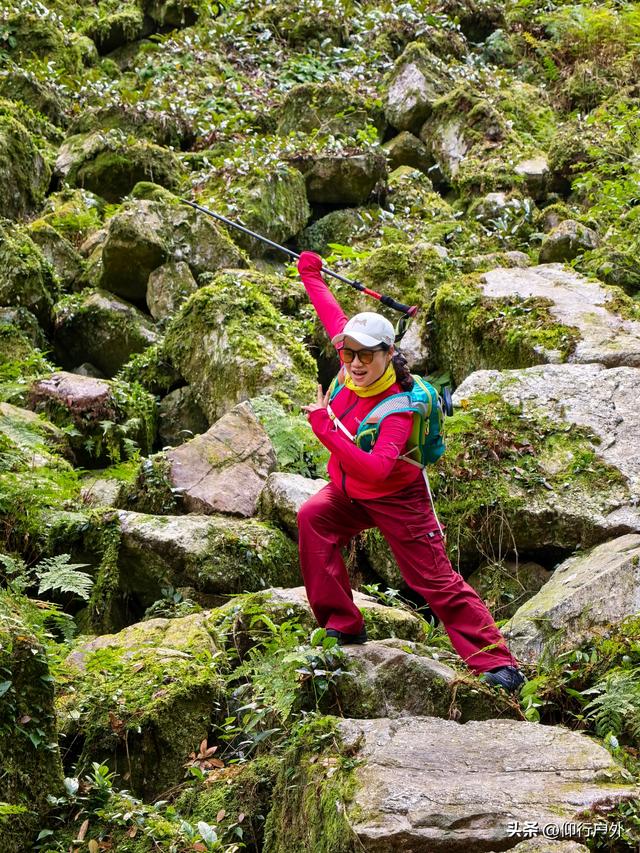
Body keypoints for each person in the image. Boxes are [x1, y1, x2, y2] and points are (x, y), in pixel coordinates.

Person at [296, 250, 525, 693]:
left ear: (388, 354)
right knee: (313, 518)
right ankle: (343, 623)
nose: (356, 364)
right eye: (349, 355)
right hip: (349, 492)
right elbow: (332, 314)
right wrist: (310, 274)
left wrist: (326, 428)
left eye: (366, 356)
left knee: (432, 578)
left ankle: (498, 663)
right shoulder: (350, 368)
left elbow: (378, 470)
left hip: (397, 497)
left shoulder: (399, 407)